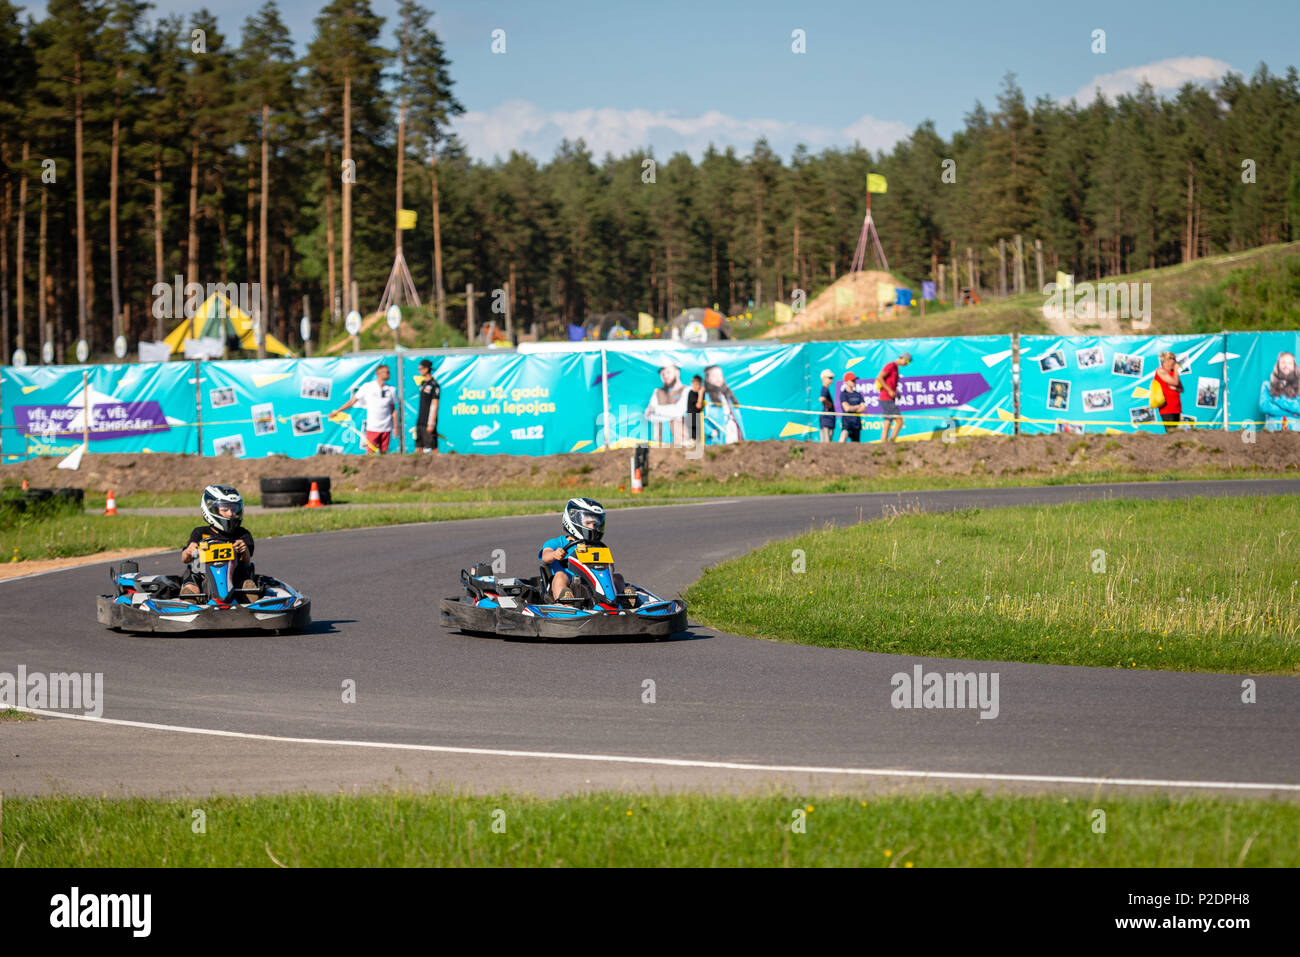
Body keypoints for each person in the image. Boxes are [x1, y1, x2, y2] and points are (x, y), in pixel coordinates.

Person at [537, 497, 629, 601]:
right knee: (560, 576)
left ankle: (622, 600)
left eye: (596, 524)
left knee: (618, 578)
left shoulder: (598, 546)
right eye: (588, 523)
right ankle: (564, 602)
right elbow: (545, 556)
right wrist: (554, 554)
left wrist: (609, 566)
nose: (593, 527)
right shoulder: (557, 543)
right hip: (569, 584)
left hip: (593, 583)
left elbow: (609, 569)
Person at [179, 485, 255, 600]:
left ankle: (247, 592)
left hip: (232, 575)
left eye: (234, 509)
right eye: (225, 509)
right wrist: (189, 551)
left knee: (243, 572)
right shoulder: (200, 533)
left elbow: (247, 561)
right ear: (211, 509)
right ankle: (191, 594)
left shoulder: (242, 534)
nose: (230, 514)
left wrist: (244, 550)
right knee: (192, 572)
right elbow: (185, 559)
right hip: (204, 575)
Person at [332, 363, 397, 453]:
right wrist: (337, 412)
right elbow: (351, 402)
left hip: (386, 428)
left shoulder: (391, 390)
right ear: (380, 373)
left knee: (384, 455)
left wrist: (395, 427)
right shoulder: (367, 387)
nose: (389, 374)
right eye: (387, 372)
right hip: (373, 427)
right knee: (370, 454)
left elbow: (393, 410)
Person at [645, 363, 687, 445]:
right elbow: (648, 415)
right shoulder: (657, 392)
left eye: (668, 372)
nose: (665, 376)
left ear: (677, 372)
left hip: (683, 444)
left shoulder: (688, 390)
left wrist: (655, 409)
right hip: (659, 444)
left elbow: (679, 411)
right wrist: (673, 417)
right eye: (662, 374)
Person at [703, 364, 744, 443]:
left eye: (720, 375)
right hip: (717, 441)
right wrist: (710, 431)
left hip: (735, 435)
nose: (718, 378)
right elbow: (692, 417)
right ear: (707, 379)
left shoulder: (728, 396)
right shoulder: (704, 396)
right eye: (714, 375)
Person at [876, 351, 912, 443]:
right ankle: (892, 442)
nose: (907, 364)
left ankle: (884, 442)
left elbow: (891, 383)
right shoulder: (891, 366)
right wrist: (889, 390)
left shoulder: (895, 368)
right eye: (907, 362)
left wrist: (895, 393)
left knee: (888, 421)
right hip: (886, 398)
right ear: (903, 358)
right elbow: (879, 378)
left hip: (888, 398)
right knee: (900, 422)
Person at [1259, 351, 1300, 430]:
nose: (1286, 366)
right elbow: (1265, 407)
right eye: (1283, 362)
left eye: (1289, 363)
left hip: (1296, 433)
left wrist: (1278, 401)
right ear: (1278, 365)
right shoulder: (1267, 385)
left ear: (1294, 366)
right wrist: (1290, 413)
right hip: (1272, 432)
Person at [1152, 350, 1184, 432]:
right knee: (1171, 433)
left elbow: (1181, 389)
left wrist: (1176, 388)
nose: (1175, 362)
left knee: (1176, 433)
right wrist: (1176, 370)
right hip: (1167, 408)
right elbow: (1175, 382)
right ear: (1166, 361)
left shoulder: (1173, 373)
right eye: (1173, 359)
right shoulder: (1161, 371)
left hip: (1176, 408)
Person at [415, 359, 440, 453]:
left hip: (428, 421)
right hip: (420, 420)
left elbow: (435, 404)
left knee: (433, 447)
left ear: (426, 369)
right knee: (419, 446)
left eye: (420, 369)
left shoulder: (434, 385)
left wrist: (431, 423)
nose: (419, 371)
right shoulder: (423, 383)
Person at [839, 372, 866, 442]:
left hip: (856, 423)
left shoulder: (858, 394)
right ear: (846, 382)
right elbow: (847, 408)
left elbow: (863, 408)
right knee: (842, 438)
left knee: (856, 445)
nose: (854, 382)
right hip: (847, 423)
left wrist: (852, 408)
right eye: (852, 380)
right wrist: (858, 406)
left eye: (855, 380)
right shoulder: (843, 394)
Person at [685, 374, 706, 445]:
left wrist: (701, 394)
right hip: (692, 421)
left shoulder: (701, 394)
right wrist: (701, 394)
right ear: (692, 384)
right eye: (695, 384)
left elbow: (702, 406)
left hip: (699, 421)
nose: (696, 386)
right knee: (693, 442)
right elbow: (699, 405)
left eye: (698, 384)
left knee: (699, 442)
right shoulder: (692, 393)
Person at [818, 369, 837, 442]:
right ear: (823, 378)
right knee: (826, 443)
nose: (831, 380)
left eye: (832, 378)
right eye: (830, 378)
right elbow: (822, 399)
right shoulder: (824, 389)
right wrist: (829, 404)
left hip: (829, 420)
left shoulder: (826, 389)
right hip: (826, 419)